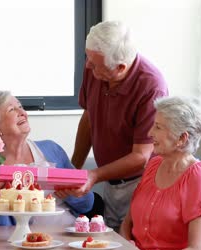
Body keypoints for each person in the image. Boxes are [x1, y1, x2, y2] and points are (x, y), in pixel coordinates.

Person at [69, 20, 169, 231]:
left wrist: (94, 174)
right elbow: (89, 118)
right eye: (88, 58)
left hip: (141, 184)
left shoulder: (152, 86)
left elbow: (141, 157)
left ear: (121, 67)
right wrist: (74, 169)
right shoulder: (96, 68)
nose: (87, 66)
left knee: (132, 248)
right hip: (112, 182)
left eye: (94, 64)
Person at [119, 96, 201, 250]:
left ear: (182, 138)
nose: (150, 133)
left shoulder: (199, 177)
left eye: (158, 127)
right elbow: (127, 223)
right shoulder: (153, 165)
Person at [0, 90, 95, 226]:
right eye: (11, 110)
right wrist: (0, 197)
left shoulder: (51, 149)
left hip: (69, 235)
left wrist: (71, 194)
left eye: (20, 106)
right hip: (24, 241)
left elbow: (88, 204)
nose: (22, 113)